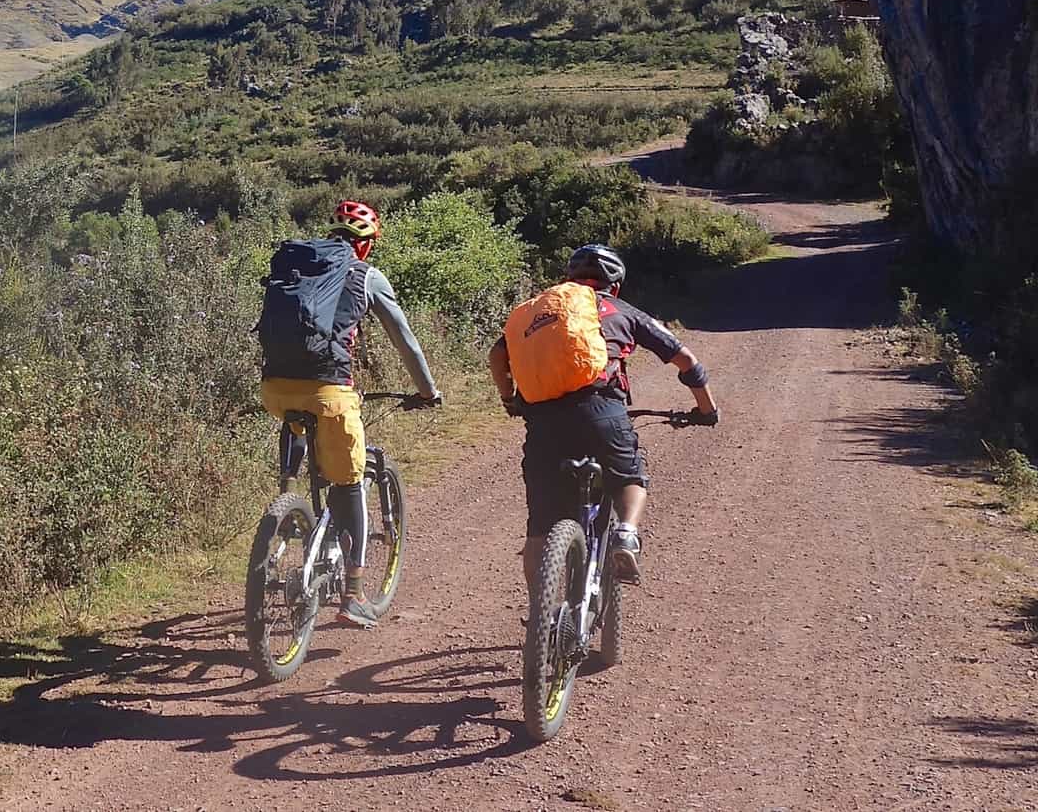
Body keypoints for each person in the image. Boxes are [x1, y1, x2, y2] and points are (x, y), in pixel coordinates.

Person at [489, 243, 717, 591]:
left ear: (569, 280)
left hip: (543, 423)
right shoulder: (620, 309)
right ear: (616, 284)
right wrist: (707, 409)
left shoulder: (541, 311)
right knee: (630, 478)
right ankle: (626, 533)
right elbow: (686, 360)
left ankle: (542, 616)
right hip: (601, 410)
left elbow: (497, 356)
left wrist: (510, 400)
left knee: (539, 527)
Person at [259, 198, 442, 628]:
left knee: (298, 417)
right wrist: (428, 391)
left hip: (275, 389)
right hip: (331, 392)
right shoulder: (366, 275)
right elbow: (405, 340)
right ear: (368, 244)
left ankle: (287, 504)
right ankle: (354, 594)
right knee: (351, 481)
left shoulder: (299, 269)